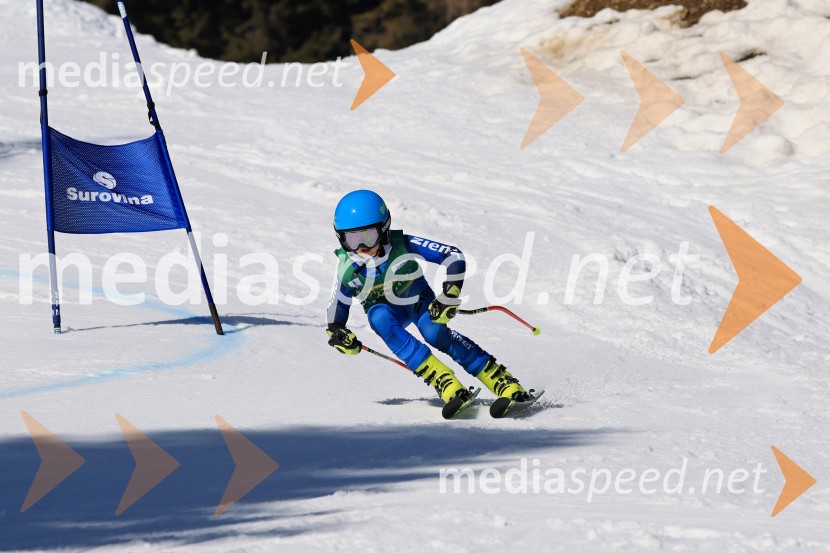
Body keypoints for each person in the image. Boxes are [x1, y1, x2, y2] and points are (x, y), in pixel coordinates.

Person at [325, 189, 532, 417]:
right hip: (384, 309)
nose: (361, 247)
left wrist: (449, 294)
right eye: (351, 239)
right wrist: (338, 333)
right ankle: (444, 382)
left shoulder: (401, 244)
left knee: (434, 332)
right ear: (340, 238)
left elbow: (453, 255)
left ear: (384, 229)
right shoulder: (346, 269)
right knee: (379, 318)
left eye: (369, 237)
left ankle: (502, 381)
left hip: (416, 299)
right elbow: (337, 307)